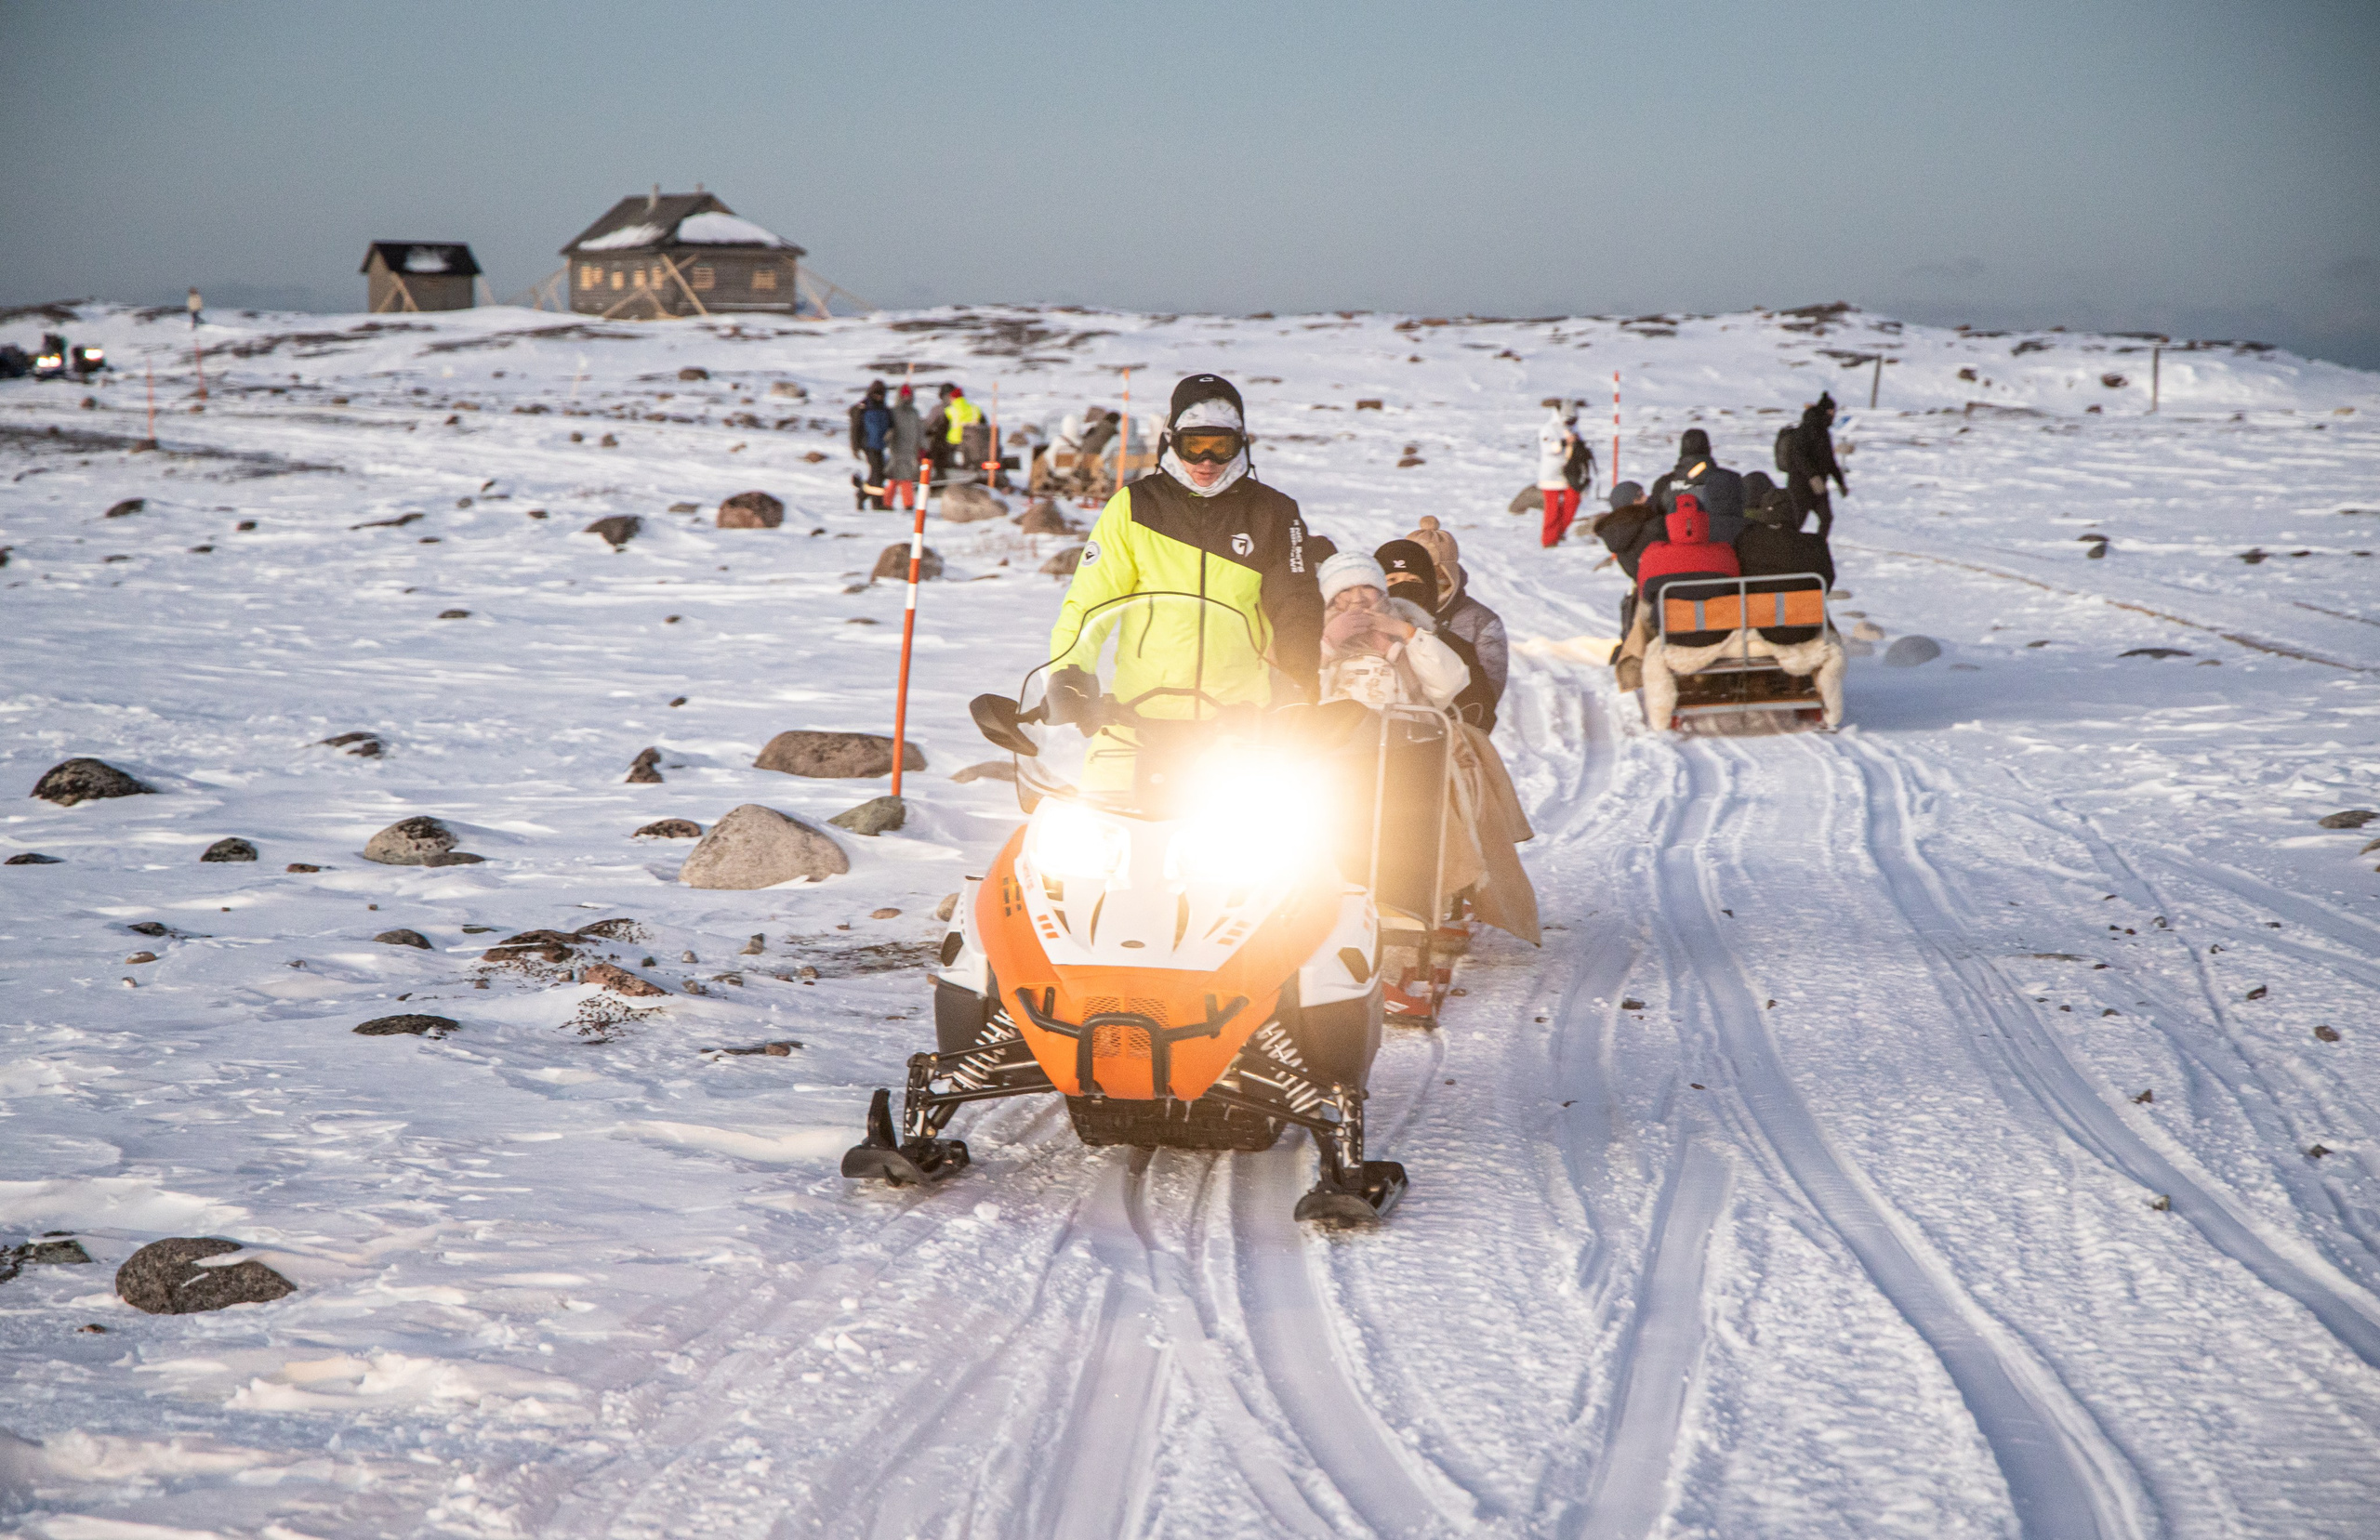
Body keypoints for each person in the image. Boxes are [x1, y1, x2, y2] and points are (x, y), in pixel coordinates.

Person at [1050, 373, 1321, 708]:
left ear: (1241, 444)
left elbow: (1297, 605)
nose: (1207, 461)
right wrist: (1069, 673)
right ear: (1172, 441)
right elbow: (1089, 603)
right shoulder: (1134, 506)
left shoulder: (1274, 512)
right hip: (1139, 712)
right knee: (1102, 763)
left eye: (1221, 447)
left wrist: (1298, 683)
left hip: (1242, 719)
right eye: (1194, 446)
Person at [1392, 519, 1509, 731]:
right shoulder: (1387, 614)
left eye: (1435, 573)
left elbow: (1488, 693)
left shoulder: (1480, 621)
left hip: (1451, 731)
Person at [1317, 552, 1469, 712]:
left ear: (1381, 591)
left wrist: (1405, 632)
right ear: (1331, 597)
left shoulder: (1411, 622)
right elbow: (1305, 695)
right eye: (1346, 589)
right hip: (1340, 731)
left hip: (1409, 730)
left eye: (1367, 586)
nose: (1357, 598)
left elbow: (1450, 684)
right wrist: (1328, 644)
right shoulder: (1314, 633)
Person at [1648, 428, 1746, 542]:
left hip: (1676, 550)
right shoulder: (1730, 479)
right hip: (1725, 549)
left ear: (1682, 451)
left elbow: (1655, 523)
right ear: (1708, 449)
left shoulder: (1663, 483)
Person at [1778, 391, 1847, 535]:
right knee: (1797, 522)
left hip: (1819, 487)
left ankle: (1819, 548)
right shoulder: (1806, 429)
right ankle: (1789, 549)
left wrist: (1840, 482)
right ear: (1827, 411)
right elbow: (1799, 456)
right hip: (1800, 486)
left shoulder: (1824, 432)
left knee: (1826, 518)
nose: (1834, 415)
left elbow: (1830, 461)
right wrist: (1813, 477)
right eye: (1832, 411)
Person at [1536, 400, 1582, 547]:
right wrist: (1564, 443)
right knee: (1552, 509)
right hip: (1551, 475)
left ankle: (1560, 531)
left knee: (1573, 501)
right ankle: (1549, 540)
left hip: (1570, 474)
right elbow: (1548, 448)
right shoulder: (1548, 429)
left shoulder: (1573, 429)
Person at [849, 380, 892, 509]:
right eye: (877, 394)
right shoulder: (863, 408)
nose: (879, 397)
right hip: (868, 445)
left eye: (882, 394)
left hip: (879, 445)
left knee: (878, 474)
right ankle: (877, 503)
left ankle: (863, 495)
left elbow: (890, 425)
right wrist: (855, 447)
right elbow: (855, 428)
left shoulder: (884, 408)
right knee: (878, 474)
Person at [884, 383, 924, 510]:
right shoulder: (893, 412)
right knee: (894, 478)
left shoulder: (914, 413)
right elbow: (888, 430)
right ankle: (887, 502)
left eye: (909, 396)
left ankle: (908, 503)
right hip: (896, 449)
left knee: (907, 479)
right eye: (904, 396)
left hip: (910, 450)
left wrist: (923, 446)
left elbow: (920, 431)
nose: (907, 398)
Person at [943, 384, 986, 481]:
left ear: (952, 398)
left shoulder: (950, 410)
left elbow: (941, 425)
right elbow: (984, 423)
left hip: (955, 442)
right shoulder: (975, 409)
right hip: (974, 443)